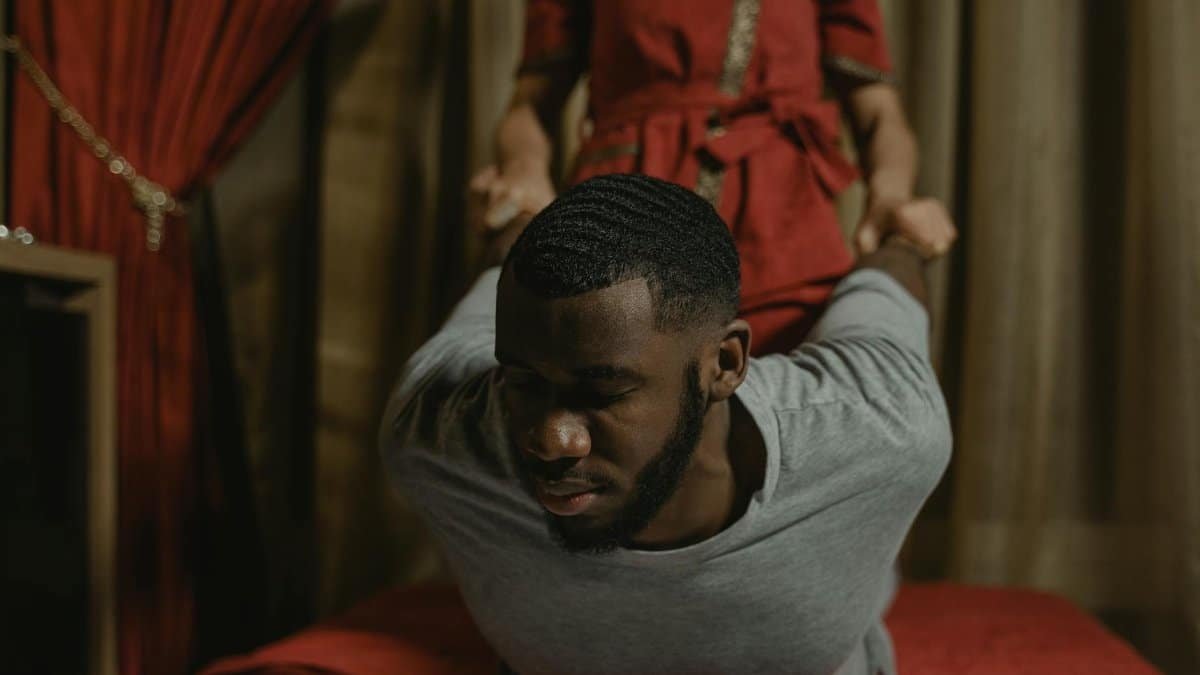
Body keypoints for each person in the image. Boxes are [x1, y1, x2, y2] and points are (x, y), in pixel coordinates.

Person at [382, 174, 954, 674]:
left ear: (726, 365)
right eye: (526, 383)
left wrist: (902, 239)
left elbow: (884, 297)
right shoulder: (436, 434)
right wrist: (514, 219)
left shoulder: (880, 428)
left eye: (602, 392)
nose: (553, 441)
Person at [470, 0, 954, 354]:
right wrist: (524, 171)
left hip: (784, 227)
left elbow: (878, 113)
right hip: (624, 219)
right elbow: (530, 107)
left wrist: (891, 194)